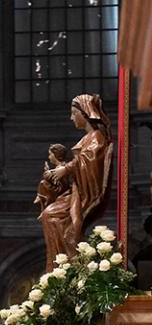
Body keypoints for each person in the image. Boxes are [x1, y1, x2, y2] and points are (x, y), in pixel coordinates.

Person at [39, 94, 113, 271]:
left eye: (74, 113)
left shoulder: (96, 137)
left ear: (85, 113)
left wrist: (67, 168)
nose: (71, 118)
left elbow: (91, 161)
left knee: (53, 216)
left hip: (85, 192)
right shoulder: (88, 138)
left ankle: (65, 264)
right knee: (50, 215)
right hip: (77, 190)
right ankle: (59, 264)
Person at [34, 143, 70, 215]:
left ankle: (41, 196)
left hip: (62, 191)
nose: (49, 157)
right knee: (44, 183)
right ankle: (41, 197)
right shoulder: (60, 167)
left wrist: (47, 172)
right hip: (58, 188)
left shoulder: (63, 167)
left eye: (50, 154)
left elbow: (51, 176)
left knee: (43, 183)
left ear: (56, 155)